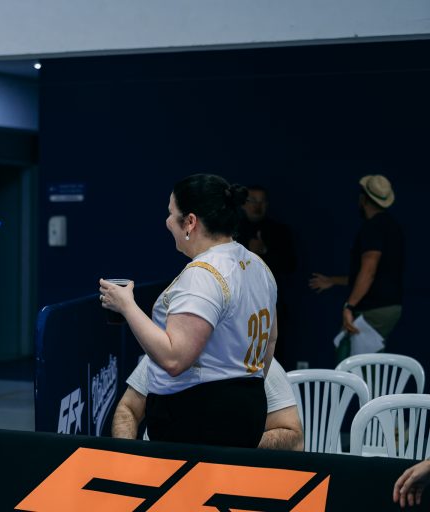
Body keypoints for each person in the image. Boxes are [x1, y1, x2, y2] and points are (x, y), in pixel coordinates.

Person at [99, 173, 277, 448]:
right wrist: (243, 390)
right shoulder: (258, 265)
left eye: (171, 213)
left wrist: (127, 306)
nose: (167, 221)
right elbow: (270, 339)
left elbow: (174, 359)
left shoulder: (202, 275)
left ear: (190, 222)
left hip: (197, 419)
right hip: (248, 409)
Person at [112, 355, 303, 451]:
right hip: (160, 467)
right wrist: (127, 459)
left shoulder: (255, 361)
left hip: (229, 473)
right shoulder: (163, 352)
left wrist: (241, 441)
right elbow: (128, 408)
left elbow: (295, 438)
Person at [309, 175, 405, 356]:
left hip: (374, 308)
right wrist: (333, 281)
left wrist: (349, 306)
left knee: (351, 360)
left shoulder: (373, 227)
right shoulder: (393, 227)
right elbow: (372, 275)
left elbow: (369, 270)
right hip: (389, 307)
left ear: (363, 199)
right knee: (367, 360)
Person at [236, 185, 296, 367]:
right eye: (253, 201)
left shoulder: (280, 231)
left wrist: (263, 251)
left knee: (274, 357)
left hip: (271, 305)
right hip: (238, 305)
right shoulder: (231, 232)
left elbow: (290, 265)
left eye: (262, 201)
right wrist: (248, 250)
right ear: (243, 204)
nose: (257, 206)